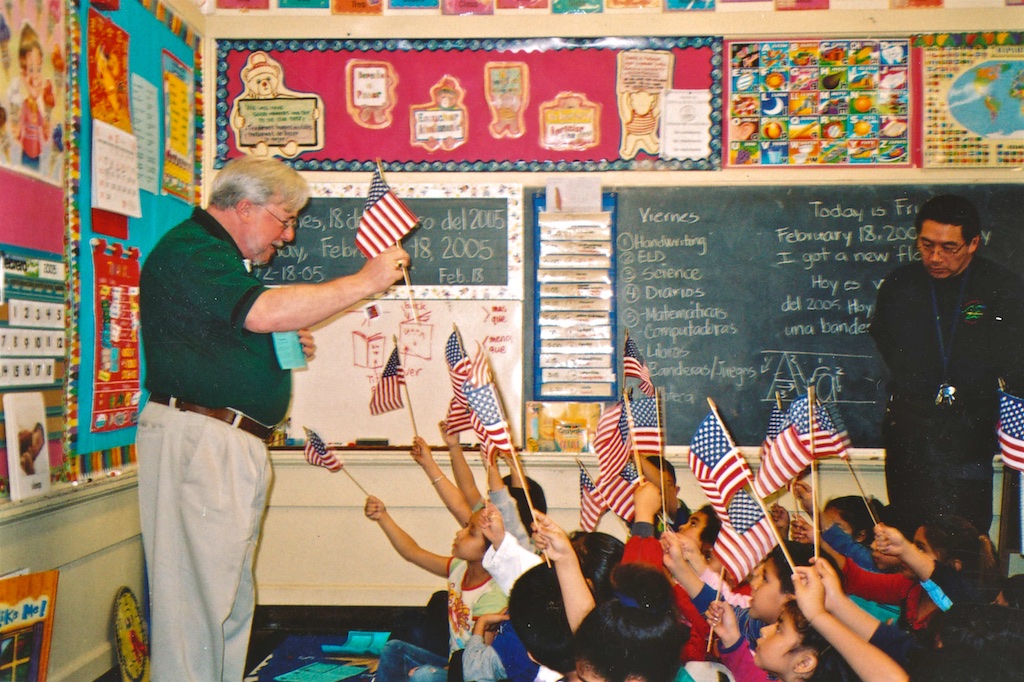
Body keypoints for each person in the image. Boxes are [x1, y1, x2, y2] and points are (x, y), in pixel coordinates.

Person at [135, 156, 409, 681]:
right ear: (244, 206)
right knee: (194, 607)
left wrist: (265, 346)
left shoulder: (216, 258)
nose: (286, 237)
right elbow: (262, 311)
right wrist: (364, 282)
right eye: (283, 220)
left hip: (224, 443)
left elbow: (237, 328)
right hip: (203, 440)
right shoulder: (193, 250)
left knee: (227, 602)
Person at [870, 194, 1024, 535]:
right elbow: (885, 339)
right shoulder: (901, 284)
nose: (935, 257)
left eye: (949, 247)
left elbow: (1015, 357)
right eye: (926, 245)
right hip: (910, 432)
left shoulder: (1002, 288)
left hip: (969, 433)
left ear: (972, 244)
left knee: (964, 541)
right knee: (906, 536)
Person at [365, 497, 506, 682]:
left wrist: (443, 669)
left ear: (490, 550)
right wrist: (382, 517)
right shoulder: (459, 568)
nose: (459, 533)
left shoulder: (492, 595)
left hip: (472, 673)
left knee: (424, 675)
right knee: (394, 648)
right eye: (465, 526)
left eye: (471, 533)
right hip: (454, 662)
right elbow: (412, 552)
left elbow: (479, 665)